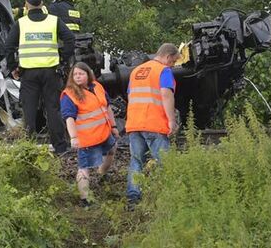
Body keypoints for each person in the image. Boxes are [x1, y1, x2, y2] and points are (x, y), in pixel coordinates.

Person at [3, 0, 75, 154]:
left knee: (29, 110)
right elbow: (70, 39)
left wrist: (13, 66)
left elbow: (8, 47)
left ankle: (29, 148)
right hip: (51, 72)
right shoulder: (54, 21)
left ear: (26, 6)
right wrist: (62, 58)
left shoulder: (21, 23)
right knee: (53, 109)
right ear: (42, 4)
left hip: (28, 74)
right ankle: (61, 148)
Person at [125, 43, 181, 204]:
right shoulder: (163, 70)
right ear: (168, 56)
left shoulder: (136, 71)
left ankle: (133, 198)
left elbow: (131, 96)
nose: (172, 65)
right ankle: (171, 197)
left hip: (135, 123)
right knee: (166, 162)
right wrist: (171, 121)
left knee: (136, 161)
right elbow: (166, 95)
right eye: (173, 61)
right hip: (154, 123)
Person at [61, 62, 119, 207]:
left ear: (88, 74)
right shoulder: (70, 94)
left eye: (81, 73)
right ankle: (85, 199)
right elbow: (69, 119)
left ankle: (102, 174)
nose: (77, 77)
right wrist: (74, 138)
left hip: (104, 132)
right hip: (87, 138)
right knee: (84, 167)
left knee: (112, 150)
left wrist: (113, 126)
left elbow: (107, 107)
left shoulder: (97, 86)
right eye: (75, 74)